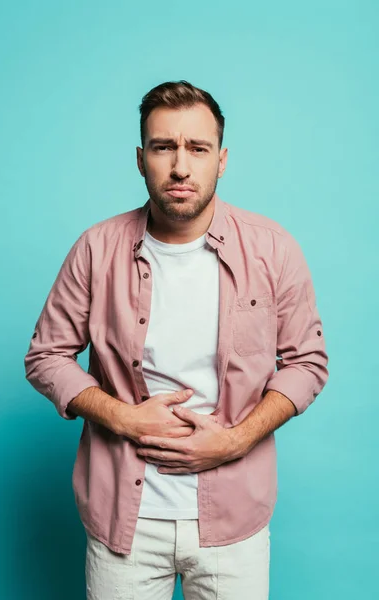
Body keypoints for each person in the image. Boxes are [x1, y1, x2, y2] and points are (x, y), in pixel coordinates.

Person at [24, 80, 329, 599]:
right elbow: (46, 355)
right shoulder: (97, 249)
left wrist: (233, 440)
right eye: (164, 147)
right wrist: (123, 416)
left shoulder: (274, 251)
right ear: (141, 159)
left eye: (198, 148)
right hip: (125, 520)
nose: (181, 166)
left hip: (233, 523)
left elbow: (308, 363)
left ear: (222, 159)